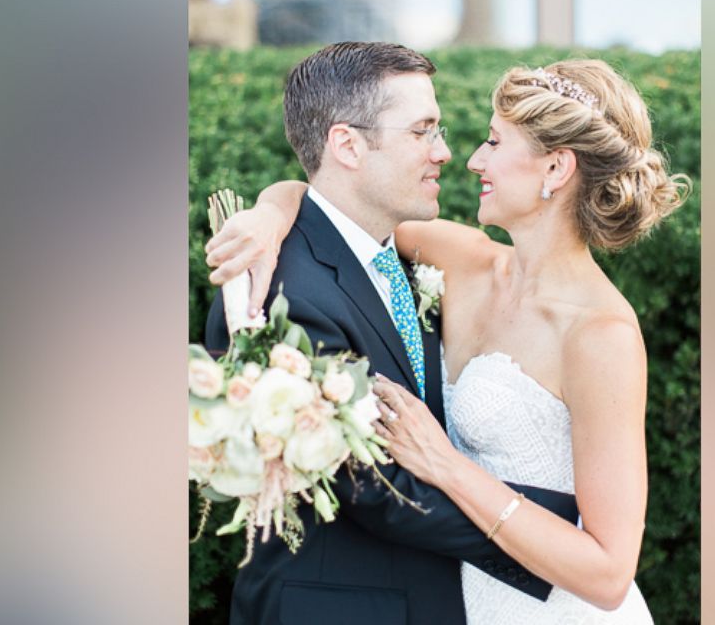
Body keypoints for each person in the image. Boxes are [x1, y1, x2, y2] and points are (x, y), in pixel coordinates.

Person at [209, 56, 688, 623]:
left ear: (556, 169)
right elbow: (333, 203)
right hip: (455, 597)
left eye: (492, 141)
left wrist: (447, 465)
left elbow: (609, 575)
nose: (469, 159)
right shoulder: (463, 260)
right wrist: (268, 215)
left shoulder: (600, 335)